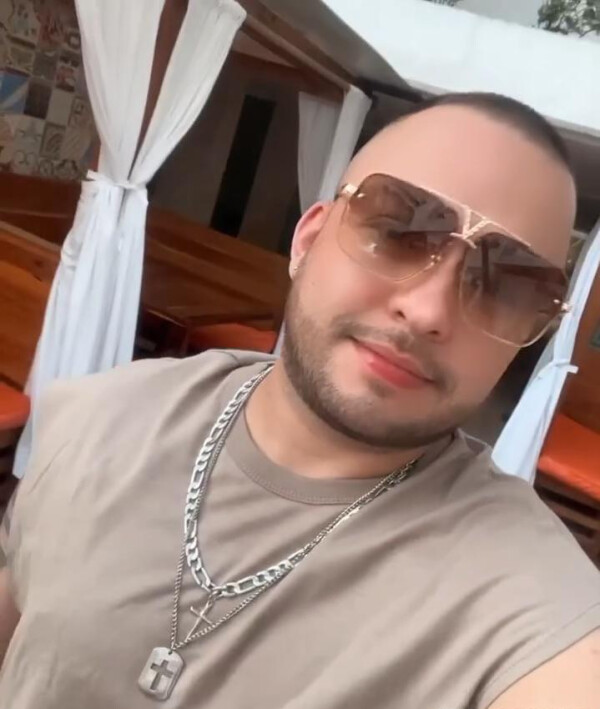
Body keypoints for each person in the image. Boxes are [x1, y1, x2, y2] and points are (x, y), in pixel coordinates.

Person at [0, 92, 598, 709]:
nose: (427, 311)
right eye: (400, 230)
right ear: (307, 240)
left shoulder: (527, 603)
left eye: (506, 285)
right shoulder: (103, 418)